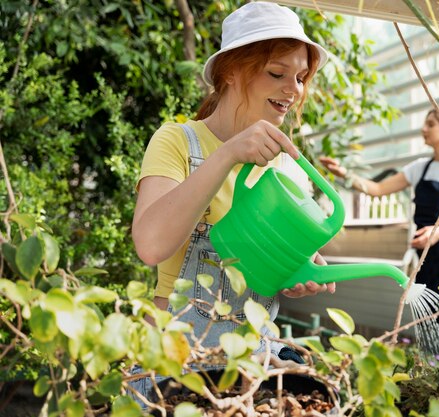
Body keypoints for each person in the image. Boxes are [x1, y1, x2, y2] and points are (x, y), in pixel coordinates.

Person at [130, 1, 335, 403]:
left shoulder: (285, 167)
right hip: (176, 371)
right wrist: (227, 155)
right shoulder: (177, 142)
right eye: (277, 73)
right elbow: (150, 245)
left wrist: (296, 273)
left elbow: (277, 270)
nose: (293, 89)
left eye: (300, 77)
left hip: (249, 374)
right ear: (230, 71)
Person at [320, 106, 439, 324]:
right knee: (432, 326)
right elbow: (377, 189)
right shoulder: (419, 168)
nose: (423, 129)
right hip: (425, 263)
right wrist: (344, 174)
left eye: (430, 124)